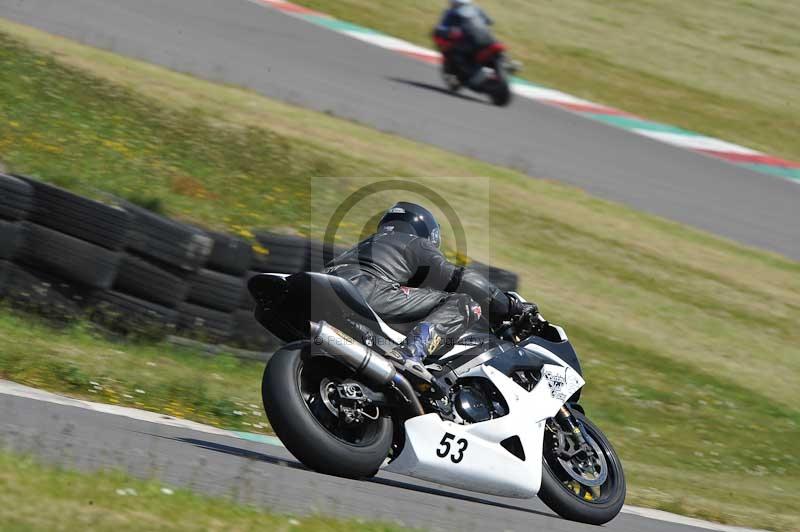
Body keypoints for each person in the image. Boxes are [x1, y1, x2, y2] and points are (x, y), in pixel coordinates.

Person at [325, 202, 537, 368]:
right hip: (365, 291)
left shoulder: (366, 245)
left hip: (326, 291)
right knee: (464, 304)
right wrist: (509, 307)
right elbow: (461, 279)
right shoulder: (414, 242)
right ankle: (409, 355)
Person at [433, 0, 497, 90]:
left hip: (478, 38)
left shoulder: (473, 9)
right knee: (454, 52)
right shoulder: (453, 12)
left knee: (495, 46)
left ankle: (504, 65)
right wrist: (448, 31)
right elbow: (489, 21)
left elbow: (489, 21)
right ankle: (467, 73)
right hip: (471, 40)